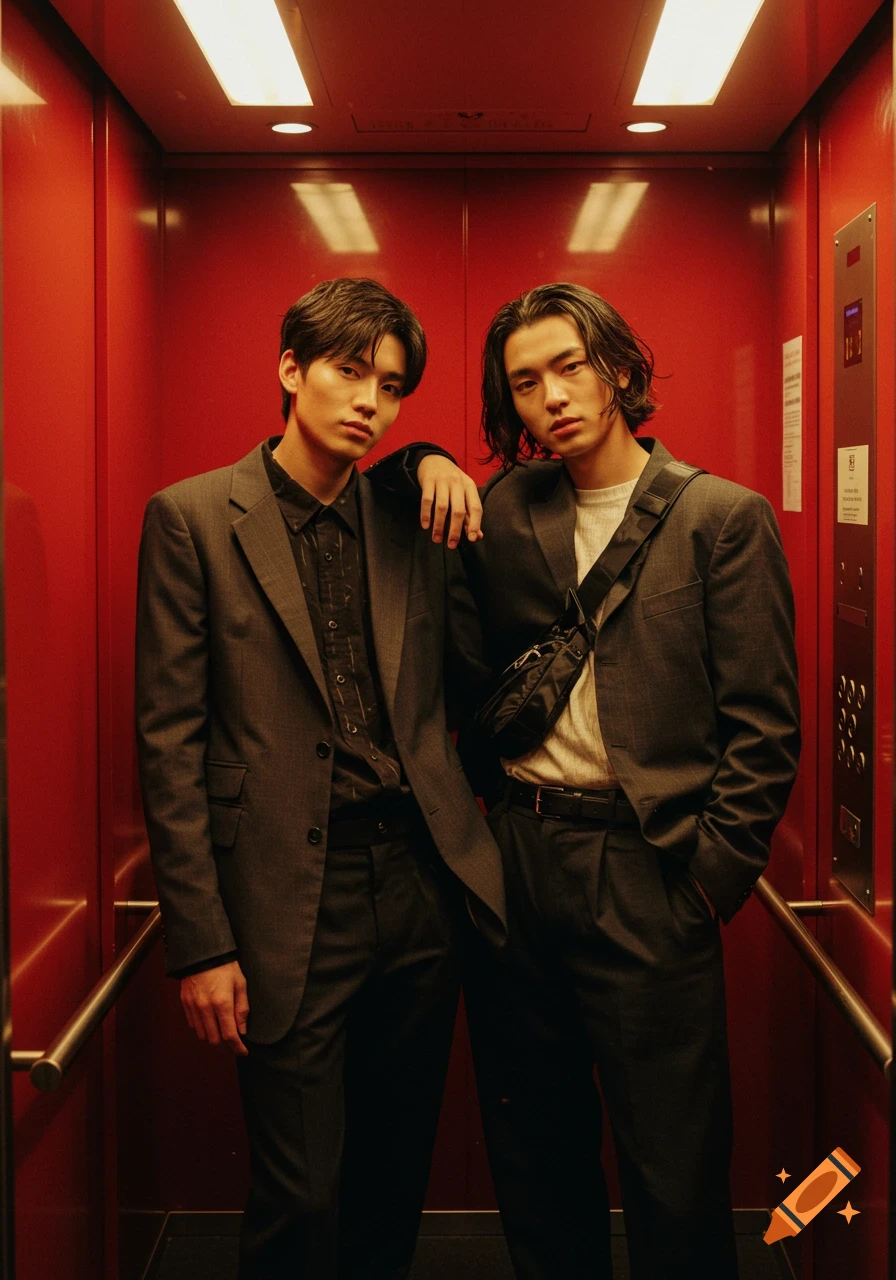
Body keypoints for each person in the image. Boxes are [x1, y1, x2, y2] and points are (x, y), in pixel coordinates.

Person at [373, 281, 801, 1280]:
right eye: (524, 382)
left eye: (568, 366)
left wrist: (706, 880)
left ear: (617, 367)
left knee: (674, 1159)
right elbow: (407, 544)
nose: (550, 396)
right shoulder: (501, 512)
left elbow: (763, 725)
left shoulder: (717, 518)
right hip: (517, 857)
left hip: (649, 864)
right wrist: (421, 457)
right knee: (536, 1153)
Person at [135, 276, 504, 1280]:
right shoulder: (195, 518)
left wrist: (431, 459)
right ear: (290, 369)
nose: (368, 404)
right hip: (289, 896)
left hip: (418, 884)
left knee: (392, 1176)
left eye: (389, 388)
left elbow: (467, 682)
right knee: (299, 1192)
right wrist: (199, 941)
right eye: (348, 372)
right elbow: (168, 739)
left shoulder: (407, 515)